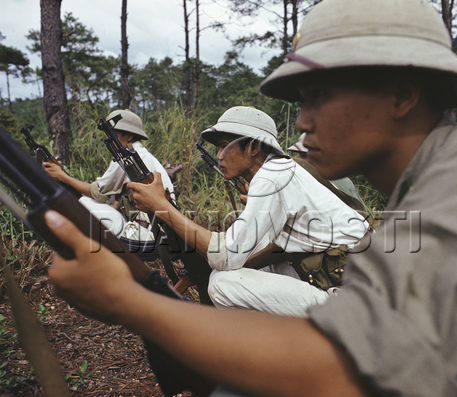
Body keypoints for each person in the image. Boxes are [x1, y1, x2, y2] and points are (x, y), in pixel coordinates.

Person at [45, 0, 457, 397]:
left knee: (224, 288)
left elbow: (349, 375)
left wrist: (129, 301)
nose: (304, 121)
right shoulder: (437, 185)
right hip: (337, 281)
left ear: (402, 94)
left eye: (320, 95)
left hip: (335, 289)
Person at [128, 105, 370, 317]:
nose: (219, 156)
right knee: (244, 266)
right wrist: (244, 264)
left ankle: (274, 351)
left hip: (352, 302)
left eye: (224, 146)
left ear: (253, 147)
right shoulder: (281, 171)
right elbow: (279, 249)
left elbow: (225, 255)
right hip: (361, 289)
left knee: (221, 283)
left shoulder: (272, 176)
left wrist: (162, 206)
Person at [44, 109, 175, 241]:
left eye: (113, 134)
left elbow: (97, 193)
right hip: (163, 231)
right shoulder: (145, 155)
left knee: (84, 202)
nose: (109, 139)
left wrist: (62, 176)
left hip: (146, 234)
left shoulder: (127, 158)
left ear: (129, 136)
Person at [287, 132, 367, 212]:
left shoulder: (338, 181)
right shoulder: (302, 179)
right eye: (300, 156)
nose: (300, 160)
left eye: (304, 156)